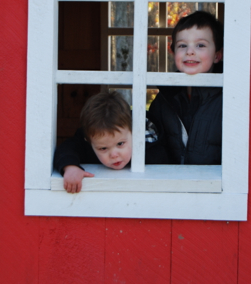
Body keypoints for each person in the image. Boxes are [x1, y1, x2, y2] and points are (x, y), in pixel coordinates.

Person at [147, 10, 223, 165]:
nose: (190, 52)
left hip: (214, 184)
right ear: (173, 51)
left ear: (217, 55)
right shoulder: (165, 98)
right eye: (182, 45)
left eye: (200, 45)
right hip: (174, 183)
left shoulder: (226, 97)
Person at [54, 91, 168, 193]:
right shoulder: (88, 143)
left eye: (120, 144)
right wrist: (70, 167)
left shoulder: (153, 150)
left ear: (134, 132)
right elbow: (68, 148)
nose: (114, 155)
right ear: (89, 141)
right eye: (103, 148)